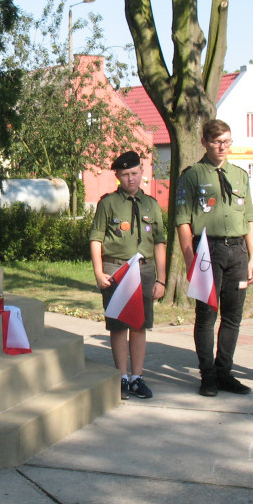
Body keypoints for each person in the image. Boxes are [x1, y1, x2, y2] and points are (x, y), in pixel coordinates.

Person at [175, 120, 253, 397]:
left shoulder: (239, 175)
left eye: (227, 141)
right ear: (205, 142)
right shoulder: (192, 175)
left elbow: (248, 218)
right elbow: (183, 221)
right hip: (206, 252)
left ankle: (225, 372)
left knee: (233, 316)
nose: (222, 147)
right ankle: (207, 374)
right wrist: (189, 259)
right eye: (216, 142)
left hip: (237, 251)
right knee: (206, 315)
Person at [89, 150, 167, 400]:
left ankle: (138, 377)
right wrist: (98, 272)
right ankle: (121, 377)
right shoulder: (108, 203)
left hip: (144, 270)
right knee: (119, 326)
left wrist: (161, 279)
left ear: (142, 172)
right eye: (125, 175)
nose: (131, 179)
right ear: (118, 176)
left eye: (134, 173)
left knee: (139, 325)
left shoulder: (151, 205)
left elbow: (159, 243)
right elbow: (96, 238)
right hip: (116, 270)